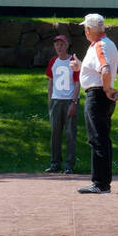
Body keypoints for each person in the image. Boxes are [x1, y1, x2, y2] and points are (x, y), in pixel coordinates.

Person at [71, 13, 118, 193]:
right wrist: (81, 66)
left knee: (97, 139)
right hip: (101, 94)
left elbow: (105, 69)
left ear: (90, 29)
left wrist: (107, 90)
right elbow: (99, 67)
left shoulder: (99, 46)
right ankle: (103, 183)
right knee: (102, 139)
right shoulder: (107, 44)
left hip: (98, 95)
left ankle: (100, 183)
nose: (85, 31)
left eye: (86, 28)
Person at [45, 33, 80, 174]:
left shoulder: (73, 61)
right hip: (56, 101)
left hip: (69, 101)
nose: (59, 47)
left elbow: (78, 83)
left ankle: (69, 165)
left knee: (70, 133)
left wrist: (74, 102)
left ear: (67, 45)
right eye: (57, 44)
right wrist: (49, 100)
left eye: (62, 44)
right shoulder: (53, 61)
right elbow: (50, 81)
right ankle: (55, 164)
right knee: (55, 133)